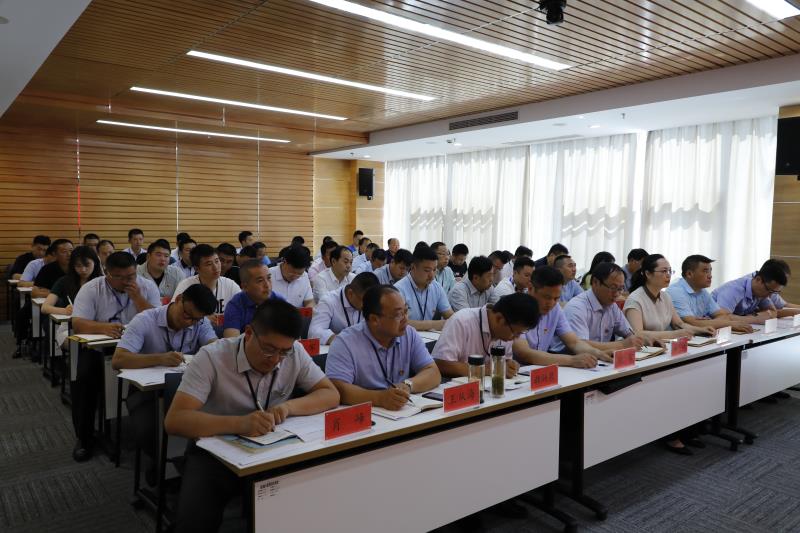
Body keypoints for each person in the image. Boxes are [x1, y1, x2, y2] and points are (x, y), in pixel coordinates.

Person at [165, 300, 340, 533]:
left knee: (311, 498)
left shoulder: (294, 352)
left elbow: (330, 394)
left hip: (273, 447)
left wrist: (288, 408)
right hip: (214, 452)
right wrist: (239, 423)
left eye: (283, 352)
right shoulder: (212, 357)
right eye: (269, 349)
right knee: (195, 521)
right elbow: (175, 420)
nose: (275, 359)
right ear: (248, 333)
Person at [112, 284, 218, 481]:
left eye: (196, 319)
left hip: (187, 391)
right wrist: (159, 358)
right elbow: (118, 360)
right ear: (178, 299)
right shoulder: (145, 320)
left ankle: (187, 469)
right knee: (150, 431)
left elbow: (215, 349)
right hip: (147, 394)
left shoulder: (199, 322)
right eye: (187, 315)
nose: (189, 322)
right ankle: (162, 464)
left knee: (209, 424)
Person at [70, 251, 160, 461]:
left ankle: (151, 433)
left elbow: (157, 320)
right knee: (84, 379)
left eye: (131, 276)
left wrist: (138, 298)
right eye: (119, 277)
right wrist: (102, 327)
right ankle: (84, 437)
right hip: (98, 348)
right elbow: (78, 323)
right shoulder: (92, 288)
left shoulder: (146, 286)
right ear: (107, 273)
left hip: (137, 349)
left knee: (159, 378)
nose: (126, 281)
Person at [326, 285, 441, 409]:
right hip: (366, 412)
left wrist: (408, 385)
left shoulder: (409, 334)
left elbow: (433, 372)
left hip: (402, 412)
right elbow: (338, 387)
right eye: (398, 315)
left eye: (406, 311)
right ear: (374, 319)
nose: (405, 319)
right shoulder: (345, 343)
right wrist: (379, 398)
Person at [513, 267, 611, 369]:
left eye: (556, 298)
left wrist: (598, 354)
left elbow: (574, 342)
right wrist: (572, 360)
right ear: (530, 288)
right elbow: (524, 352)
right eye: (547, 297)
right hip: (517, 371)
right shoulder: (516, 308)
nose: (551, 303)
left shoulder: (555, 308)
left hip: (541, 369)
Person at [558, 262, 660, 353]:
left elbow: (629, 333)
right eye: (613, 288)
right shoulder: (577, 307)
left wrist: (645, 339)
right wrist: (623, 344)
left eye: (620, 289)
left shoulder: (612, 306)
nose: (617, 294)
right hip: (567, 360)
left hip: (599, 359)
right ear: (595, 282)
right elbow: (580, 345)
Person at [433, 293, 538, 378]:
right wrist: (490, 369)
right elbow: (441, 364)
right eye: (515, 333)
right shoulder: (462, 321)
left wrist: (509, 365)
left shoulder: (507, 332)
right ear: (499, 319)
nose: (516, 338)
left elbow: (504, 362)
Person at [624, 254, 716, 342]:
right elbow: (638, 333)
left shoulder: (665, 296)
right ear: (648, 274)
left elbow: (678, 324)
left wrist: (700, 330)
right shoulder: (635, 299)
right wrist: (674, 334)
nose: (668, 275)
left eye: (670, 271)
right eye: (664, 271)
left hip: (661, 346)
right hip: (641, 349)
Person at [667, 255, 755, 333]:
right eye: (705, 271)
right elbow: (691, 323)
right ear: (689, 274)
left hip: (698, 337)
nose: (710, 276)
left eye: (710, 271)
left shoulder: (702, 291)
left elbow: (723, 315)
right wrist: (729, 324)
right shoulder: (676, 291)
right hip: (674, 340)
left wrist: (706, 322)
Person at [172, 244, 241, 335]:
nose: (216, 267)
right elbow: (175, 315)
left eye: (217, 261)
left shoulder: (230, 285)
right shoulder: (186, 285)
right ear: (197, 268)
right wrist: (202, 318)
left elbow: (242, 311)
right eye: (209, 264)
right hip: (194, 334)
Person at [42, 246, 103, 347]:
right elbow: (45, 307)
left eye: (87, 265)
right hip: (70, 327)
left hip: (99, 326)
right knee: (78, 345)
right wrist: (65, 311)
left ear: (95, 263)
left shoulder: (103, 282)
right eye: (78, 266)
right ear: (72, 266)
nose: (83, 270)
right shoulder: (64, 281)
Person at [309, 272, 380, 344]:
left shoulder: (371, 303)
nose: (368, 306)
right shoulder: (329, 301)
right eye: (365, 301)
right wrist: (343, 340)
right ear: (350, 293)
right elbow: (314, 332)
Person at [394, 246, 454, 331]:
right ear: (413, 267)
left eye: (434, 270)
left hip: (430, 337)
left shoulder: (436, 287)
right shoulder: (398, 290)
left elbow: (450, 315)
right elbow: (398, 322)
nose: (432, 275)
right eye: (427, 270)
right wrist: (433, 324)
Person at [223, 260, 286, 337]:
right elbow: (231, 340)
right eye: (260, 281)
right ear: (245, 287)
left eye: (269, 278)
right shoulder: (235, 305)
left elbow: (289, 334)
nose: (267, 285)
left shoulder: (279, 302)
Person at [711, 260, 788, 323]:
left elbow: (773, 312)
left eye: (774, 292)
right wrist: (756, 319)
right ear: (758, 279)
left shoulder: (761, 293)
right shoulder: (734, 290)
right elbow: (722, 318)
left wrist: (753, 317)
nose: (769, 296)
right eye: (769, 290)